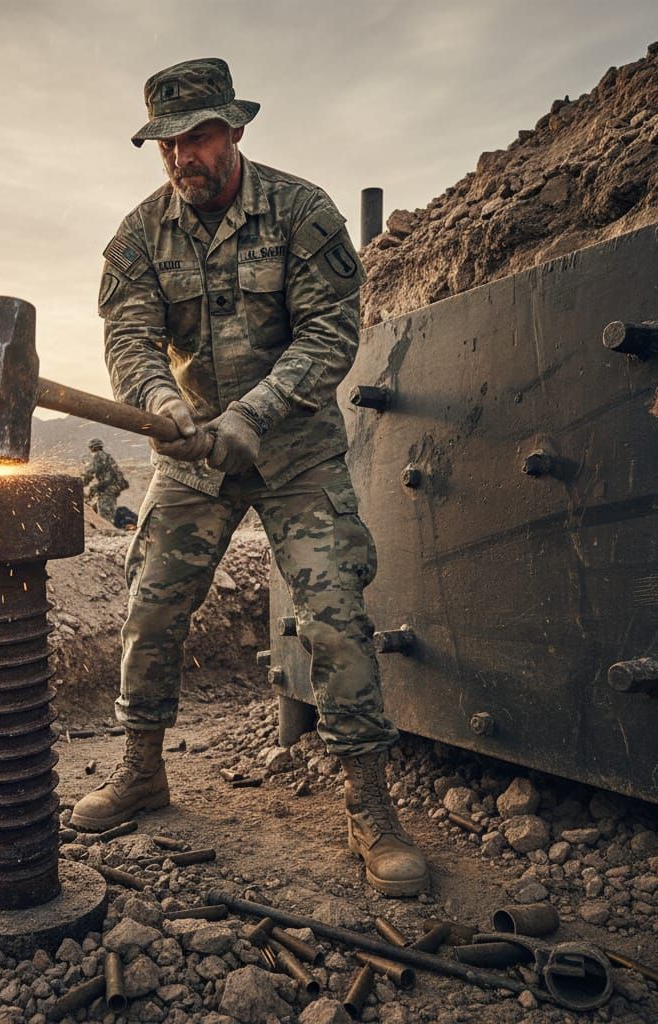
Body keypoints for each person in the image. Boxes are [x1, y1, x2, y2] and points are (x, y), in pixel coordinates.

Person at [71, 58, 428, 897]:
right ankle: (142, 769)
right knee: (151, 606)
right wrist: (165, 403)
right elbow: (129, 338)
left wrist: (253, 415)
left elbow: (332, 332)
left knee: (334, 613)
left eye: (195, 137)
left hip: (295, 452)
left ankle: (368, 806)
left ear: (232, 130)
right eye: (165, 145)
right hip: (190, 459)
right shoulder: (136, 238)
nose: (180, 158)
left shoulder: (302, 212)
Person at [82, 437, 128, 523]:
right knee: (109, 509)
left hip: (107, 487)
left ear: (92, 448)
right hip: (114, 487)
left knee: (104, 513)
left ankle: (108, 530)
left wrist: (81, 483)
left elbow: (89, 472)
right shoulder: (108, 457)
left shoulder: (97, 457)